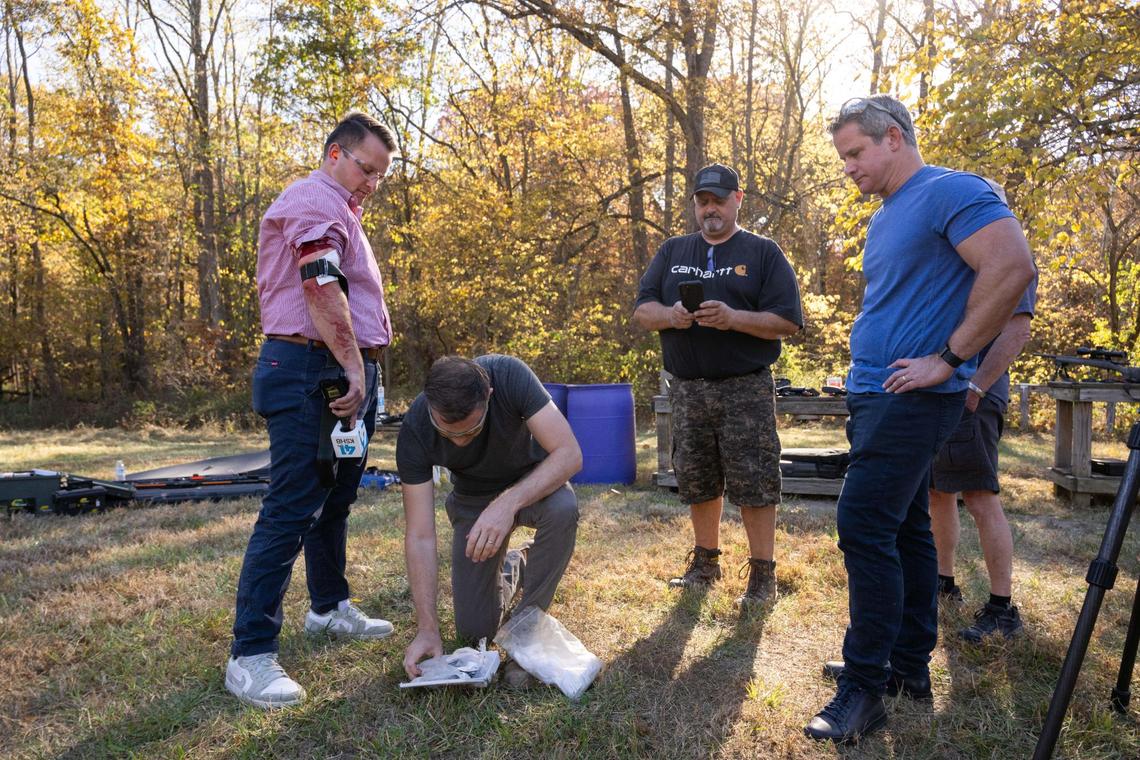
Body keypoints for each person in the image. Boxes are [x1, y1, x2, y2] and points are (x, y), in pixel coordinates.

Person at [805, 96, 1035, 743]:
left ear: (895, 138)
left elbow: (1012, 267)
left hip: (915, 399)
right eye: (843, 156)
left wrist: (950, 359)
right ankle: (903, 668)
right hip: (877, 395)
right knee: (906, 525)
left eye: (855, 152)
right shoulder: (887, 216)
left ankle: (863, 689)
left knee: (863, 521)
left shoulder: (949, 191)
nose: (848, 167)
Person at [225, 112, 397, 709]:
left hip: (346, 368)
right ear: (334, 154)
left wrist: (367, 371)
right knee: (292, 506)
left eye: (380, 175)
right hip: (310, 369)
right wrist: (353, 365)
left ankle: (327, 608)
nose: (371, 183)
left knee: (337, 499)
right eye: (365, 168)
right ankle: (250, 655)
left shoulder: (345, 211)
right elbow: (319, 286)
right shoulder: (313, 199)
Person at [634, 163, 803, 608]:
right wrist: (671, 315)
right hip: (687, 388)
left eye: (719, 200)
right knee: (697, 478)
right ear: (695, 204)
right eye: (703, 200)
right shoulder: (673, 251)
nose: (711, 208)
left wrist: (733, 320)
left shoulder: (764, 253)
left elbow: (787, 321)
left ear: (738, 200)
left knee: (755, 480)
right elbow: (641, 311)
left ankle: (762, 575)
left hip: (744, 388)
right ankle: (705, 562)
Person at [397, 355, 582, 686]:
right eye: (447, 431)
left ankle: (528, 630)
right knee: (474, 633)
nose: (459, 441)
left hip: (532, 486)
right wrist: (427, 628)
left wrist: (506, 504)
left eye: (471, 430)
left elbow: (569, 454)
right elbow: (420, 535)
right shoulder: (415, 428)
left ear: (489, 395)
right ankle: (517, 564)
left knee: (563, 508)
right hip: (472, 501)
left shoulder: (510, 376)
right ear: (431, 409)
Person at [930, 197, 1038, 640]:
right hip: (943, 390)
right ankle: (943, 583)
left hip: (975, 394)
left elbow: (1017, 329)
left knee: (979, 496)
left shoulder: (1009, 250)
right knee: (938, 492)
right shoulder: (964, 251)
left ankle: (1001, 608)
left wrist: (977, 387)